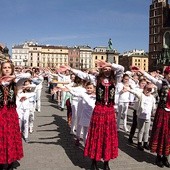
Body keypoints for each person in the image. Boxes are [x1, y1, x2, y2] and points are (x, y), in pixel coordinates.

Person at [58, 60, 124, 170]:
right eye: (105, 69)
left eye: (109, 69)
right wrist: (70, 69)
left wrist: (109, 64)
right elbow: (83, 75)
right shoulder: (96, 79)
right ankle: (94, 161)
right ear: (101, 70)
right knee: (96, 135)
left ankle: (106, 162)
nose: (107, 70)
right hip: (99, 109)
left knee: (107, 136)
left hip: (109, 111)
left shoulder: (115, 79)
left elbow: (121, 68)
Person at [131, 66, 170, 168]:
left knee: (168, 136)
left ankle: (166, 156)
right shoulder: (162, 84)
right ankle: (159, 156)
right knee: (160, 133)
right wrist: (141, 71)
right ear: (166, 74)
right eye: (169, 73)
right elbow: (151, 78)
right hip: (162, 112)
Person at [0, 61, 31, 170]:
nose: (7, 69)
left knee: (10, 136)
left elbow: (28, 75)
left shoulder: (16, 82)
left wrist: (13, 76)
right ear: (1, 70)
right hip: (0, 112)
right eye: (4, 68)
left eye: (9, 67)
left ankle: (11, 159)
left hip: (10, 112)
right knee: (1, 137)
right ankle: (2, 160)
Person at [125, 83, 156, 151]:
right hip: (140, 116)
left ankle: (145, 143)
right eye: (147, 89)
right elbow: (135, 92)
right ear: (144, 89)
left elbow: (153, 106)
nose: (148, 91)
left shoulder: (152, 97)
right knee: (141, 130)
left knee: (147, 131)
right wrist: (128, 89)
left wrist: (153, 112)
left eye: (150, 90)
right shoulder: (141, 95)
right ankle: (139, 143)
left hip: (148, 117)